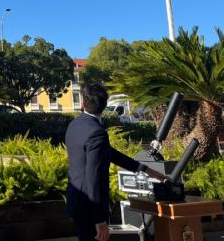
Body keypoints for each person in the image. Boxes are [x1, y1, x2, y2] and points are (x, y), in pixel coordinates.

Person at [66, 83, 169, 241]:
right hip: (90, 209)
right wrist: (99, 220)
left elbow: (110, 154)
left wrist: (145, 169)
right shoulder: (97, 132)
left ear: (83, 104)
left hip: (76, 201)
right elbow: (93, 178)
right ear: (105, 106)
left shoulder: (74, 126)